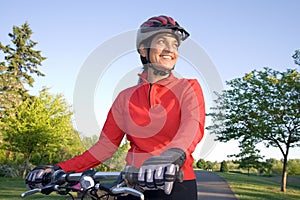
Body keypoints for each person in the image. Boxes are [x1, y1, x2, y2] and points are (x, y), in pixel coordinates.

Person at [26, 15, 205, 200]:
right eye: (162, 42)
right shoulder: (125, 98)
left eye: (174, 45)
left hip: (176, 184)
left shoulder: (188, 87)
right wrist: (59, 169)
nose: (170, 49)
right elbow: (105, 147)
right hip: (131, 184)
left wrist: (170, 156)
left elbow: (192, 127)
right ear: (144, 50)